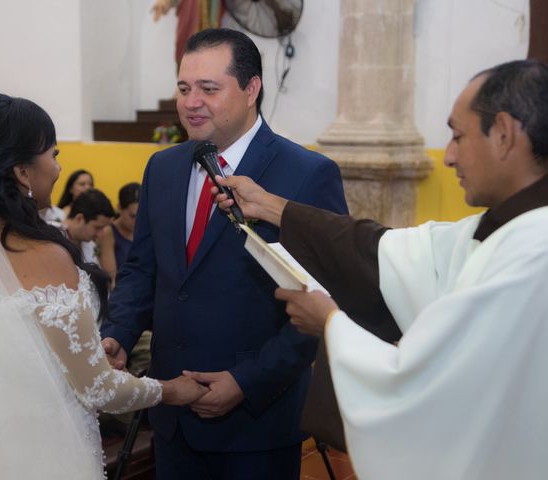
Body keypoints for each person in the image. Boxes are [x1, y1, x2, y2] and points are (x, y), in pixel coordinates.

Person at [212, 59, 548, 479]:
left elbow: (436, 380)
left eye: (458, 136)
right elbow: (385, 250)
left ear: (503, 133)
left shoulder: (534, 251)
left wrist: (330, 324)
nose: (448, 156)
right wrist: (269, 206)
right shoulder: (507, 228)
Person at [0, 92, 208, 480]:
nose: (58, 167)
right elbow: (97, 388)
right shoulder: (45, 256)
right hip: (45, 453)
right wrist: (169, 391)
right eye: (53, 154)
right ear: (21, 172)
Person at [100, 28, 347, 480]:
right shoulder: (164, 167)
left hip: (256, 423)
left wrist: (246, 381)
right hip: (173, 417)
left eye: (208, 89)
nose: (191, 101)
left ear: (251, 88)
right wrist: (117, 332)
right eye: (183, 88)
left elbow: (321, 301)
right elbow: (142, 269)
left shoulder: (307, 174)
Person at [63, 188, 116, 277]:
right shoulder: (51, 242)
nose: (100, 234)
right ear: (79, 218)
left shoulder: (90, 244)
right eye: (98, 227)